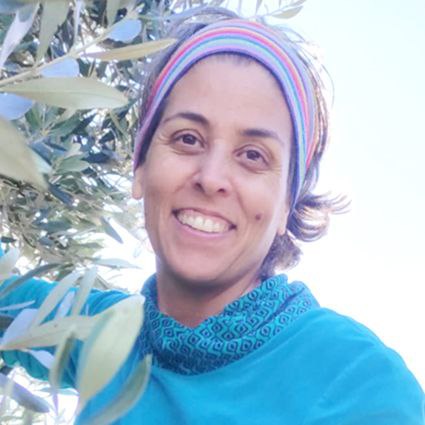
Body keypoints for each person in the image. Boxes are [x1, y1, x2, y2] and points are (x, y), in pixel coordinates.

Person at [0, 7, 424, 425]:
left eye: (254, 156)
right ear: (140, 168)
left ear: (286, 206)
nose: (212, 177)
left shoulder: (361, 384)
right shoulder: (101, 330)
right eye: (188, 139)